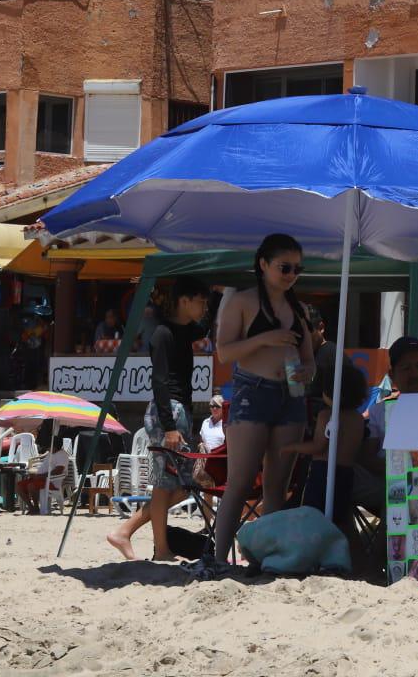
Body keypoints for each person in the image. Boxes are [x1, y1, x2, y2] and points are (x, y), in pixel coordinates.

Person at [197, 234, 316, 577]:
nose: (292, 274)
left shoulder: (297, 308)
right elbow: (225, 352)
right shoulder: (240, 299)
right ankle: (219, 559)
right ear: (263, 264)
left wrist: (307, 371)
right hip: (253, 391)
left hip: (290, 395)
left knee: (277, 485)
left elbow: (309, 360)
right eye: (285, 267)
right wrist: (266, 338)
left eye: (298, 268)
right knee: (241, 480)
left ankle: (266, 558)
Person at [106, 278, 211, 562]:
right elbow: (159, 381)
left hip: (179, 411)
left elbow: (206, 326)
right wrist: (169, 426)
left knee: (183, 485)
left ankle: (126, 530)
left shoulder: (184, 330)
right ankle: (161, 549)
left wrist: (220, 293)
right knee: (166, 485)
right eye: (200, 300)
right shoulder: (163, 334)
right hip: (169, 411)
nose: (204, 306)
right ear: (184, 301)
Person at [286, 343, 370, 524]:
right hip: (347, 475)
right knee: (338, 520)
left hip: (323, 474)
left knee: (313, 519)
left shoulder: (327, 415)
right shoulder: (358, 419)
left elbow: (319, 446)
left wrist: (293, 447)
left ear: (330, 392)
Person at [355, 336, 418, 514]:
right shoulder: (378, 411)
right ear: (392, 376)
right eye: (406, 368)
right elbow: (367, 457)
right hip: (386, 482)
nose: (414, 374)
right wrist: (402, 472)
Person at [16, 436, 70, 513]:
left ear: (54, 446)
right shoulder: (51, 453)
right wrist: (34, 474)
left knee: (31, 486)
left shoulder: (62, 455)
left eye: (48, 446)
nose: (47, 448)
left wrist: (41, 476)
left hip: (51, 482)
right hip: (41, 478)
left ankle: (36, 507)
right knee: (19, 486)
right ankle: (31, 507)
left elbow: (58, 471)